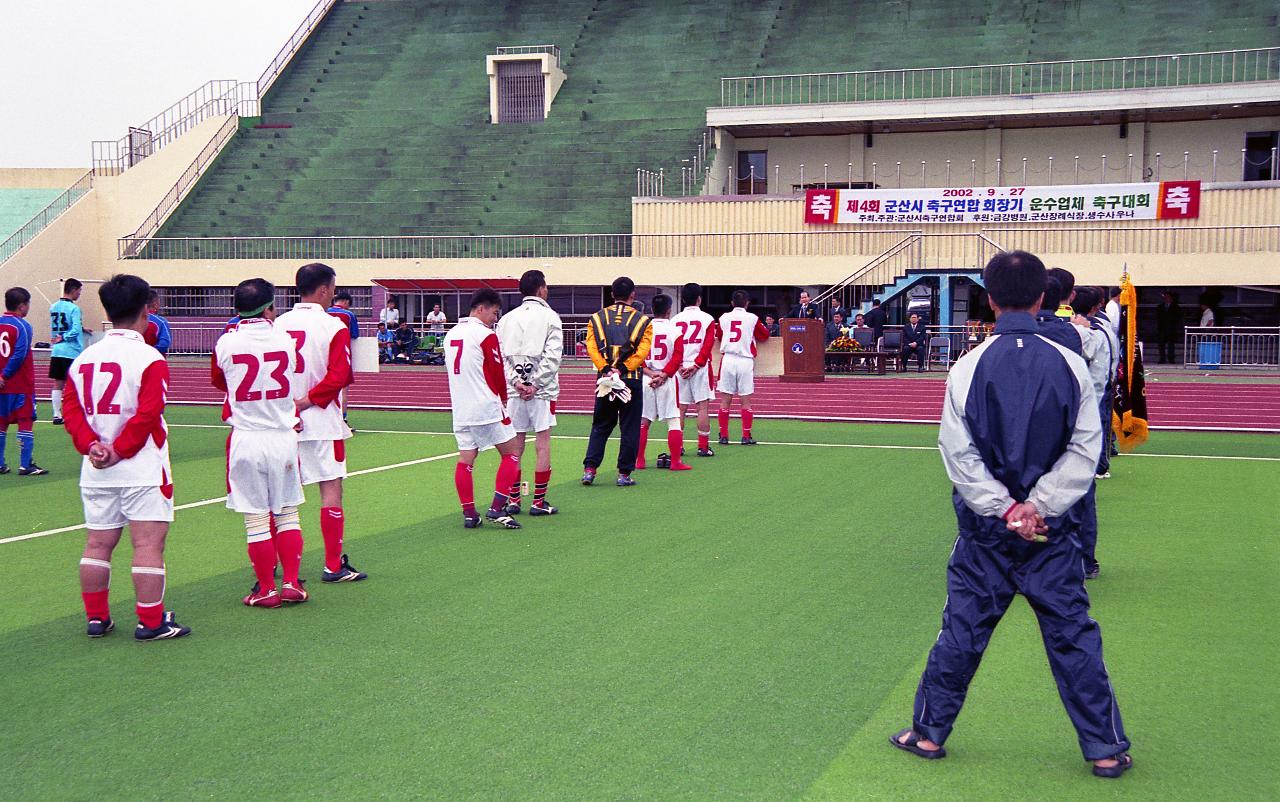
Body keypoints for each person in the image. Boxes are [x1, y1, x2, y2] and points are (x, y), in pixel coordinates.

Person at [889, 250, 1131, 779]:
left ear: (990, 299)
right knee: (1073, 636)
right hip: (1053, 533)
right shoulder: (1069, 361)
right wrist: (1037, 507)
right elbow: (1086, 448)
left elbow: (957, 452)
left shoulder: (967, 365)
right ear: (1042, 297)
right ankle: (1104, 748)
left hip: (985, 533)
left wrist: (1004, 508)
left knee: (962, 632)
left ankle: (928, 735)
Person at [62, 274, 191, 641]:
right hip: (141, 466)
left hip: (97, 468)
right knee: (148, 545)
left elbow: (72, 411)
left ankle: (97, 618)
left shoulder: (85, 358)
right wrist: (120, 450)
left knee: (97, 543)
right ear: (145, 310)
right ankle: (151, 622)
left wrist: (92, 446)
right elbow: (148, 413)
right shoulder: (149, 357)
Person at [212, 278, 310, 608]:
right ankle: (292, 583)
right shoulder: (284, 339)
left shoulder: (225, 342)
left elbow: (218, 380)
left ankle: (267, 588)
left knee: (255, 519)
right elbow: (296, 368)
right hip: (282, 435)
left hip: (247, 436)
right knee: (287, 514)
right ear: (269, 307)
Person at [274, 263, 367, 582]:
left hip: (283, 421)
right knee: (331, 488)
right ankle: (332, 564)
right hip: (322, 421)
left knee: (284, 497)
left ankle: (278, 567)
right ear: (325, 289)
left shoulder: (277, 324)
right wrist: (307, 400)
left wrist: (291, 403)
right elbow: (340, 376)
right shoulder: (334, 326)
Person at [445, 289, 522, 529]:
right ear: (481, 308)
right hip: (485, 405)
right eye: (494, 313)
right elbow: (497, 372)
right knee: (512, 454)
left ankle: (470, 514)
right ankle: (497, 508)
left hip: (460, 408)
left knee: (466, 459)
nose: (495, 318)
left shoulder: (451, 334)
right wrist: (504, 398)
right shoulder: (485, 335)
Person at [496, 270, 563, 516]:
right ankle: (538, 501)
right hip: (542, 392)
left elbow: (500, 357)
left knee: (515, 446)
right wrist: (535, 383)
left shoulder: (505, 320)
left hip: (515, 392)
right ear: (542, 288)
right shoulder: (551, 317)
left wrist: (516, 382)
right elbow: (553, 356)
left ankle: (513, 500)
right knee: (542, 444)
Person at [582, 276, 652, 486]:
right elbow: (642, 352)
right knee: (629, 426)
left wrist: (605, 368)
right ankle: (624, 474)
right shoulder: (643, 321)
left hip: (605, 381)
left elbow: (591, 347)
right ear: (633, 295)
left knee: (601, 425)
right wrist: (622, 368)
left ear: (612, 295)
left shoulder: (596, 318)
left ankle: (589, 470)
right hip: (630, 379)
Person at [637, 293, 691, 472]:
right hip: (667, 380)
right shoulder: (675, 331)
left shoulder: (644, 329)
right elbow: (677, 357)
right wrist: (664, 375)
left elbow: (638, 356)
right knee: (674, 420)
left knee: (643, 421)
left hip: (646, 379)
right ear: (669, 311)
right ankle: (675, 462)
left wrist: (651, 373)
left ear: (652, 309)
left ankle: (639, 460)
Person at [1, 287, 46, 475]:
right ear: (22, 306)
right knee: (25, 421)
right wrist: (6, 374)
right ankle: (26, 464)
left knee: (1, 423)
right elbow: (19, 354)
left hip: (2, 386)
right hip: (20, 384)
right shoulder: (22, 326)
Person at [717, 290, 771, 445]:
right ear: (747, 303)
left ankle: (724, 435)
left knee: (725, 400)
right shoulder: (752, 318)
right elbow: (764, 335)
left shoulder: (724, 318)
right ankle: (746, 435)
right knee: (745, 400)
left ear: (732, 303)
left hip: (728, 358)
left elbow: (720, 335)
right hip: (745, 360)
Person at [672, 282, 718, 458]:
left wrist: (680, 366)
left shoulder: (674, 320)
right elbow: (707, 347)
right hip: (699, 367)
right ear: (699, 299)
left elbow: (672, 347)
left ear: (683, 299)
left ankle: (678, 446)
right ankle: (703, 447)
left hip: (680, 367)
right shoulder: (708, 319)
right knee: (703, 408)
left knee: (680, 409)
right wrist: (696, 365)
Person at [49, 278, 90, 425]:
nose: (79, 294)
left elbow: (63, 326)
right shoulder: (74, 309)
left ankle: (56, 414)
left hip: (57, 350)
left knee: (58, 383)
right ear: (73, 290)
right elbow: (73, 330)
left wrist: (81, 329)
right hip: (71, 350)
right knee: (77, 383)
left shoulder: (53, 306)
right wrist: (67, 336)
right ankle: (77, 413)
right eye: (79, 291)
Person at [327, 291, 360, 423]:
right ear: (346, 302)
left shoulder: (324, 312)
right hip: (341, 354)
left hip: (323, 352)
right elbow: (355, 334)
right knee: (343, 388)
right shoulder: (348, 315)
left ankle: (327, 419)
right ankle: (342, 419)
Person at [1154, 290, 1181, 364]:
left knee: (1171, 345)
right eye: (1165, 297)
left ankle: (1171, 359)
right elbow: (1158, 318)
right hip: (1162, 329)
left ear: (1171, 298)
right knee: (1161, 345)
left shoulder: (1176, 307)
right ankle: (1162, 359)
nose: (1166, 298)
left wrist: (1176, 328)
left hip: (1171, 329)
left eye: (1168, 297)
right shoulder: (1160, 307)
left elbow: (1178, 318)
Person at [143, 290, 171, 356]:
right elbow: (164, 344)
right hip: (155, 361)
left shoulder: (133, 319)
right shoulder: (161, 322)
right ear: (155, 304)